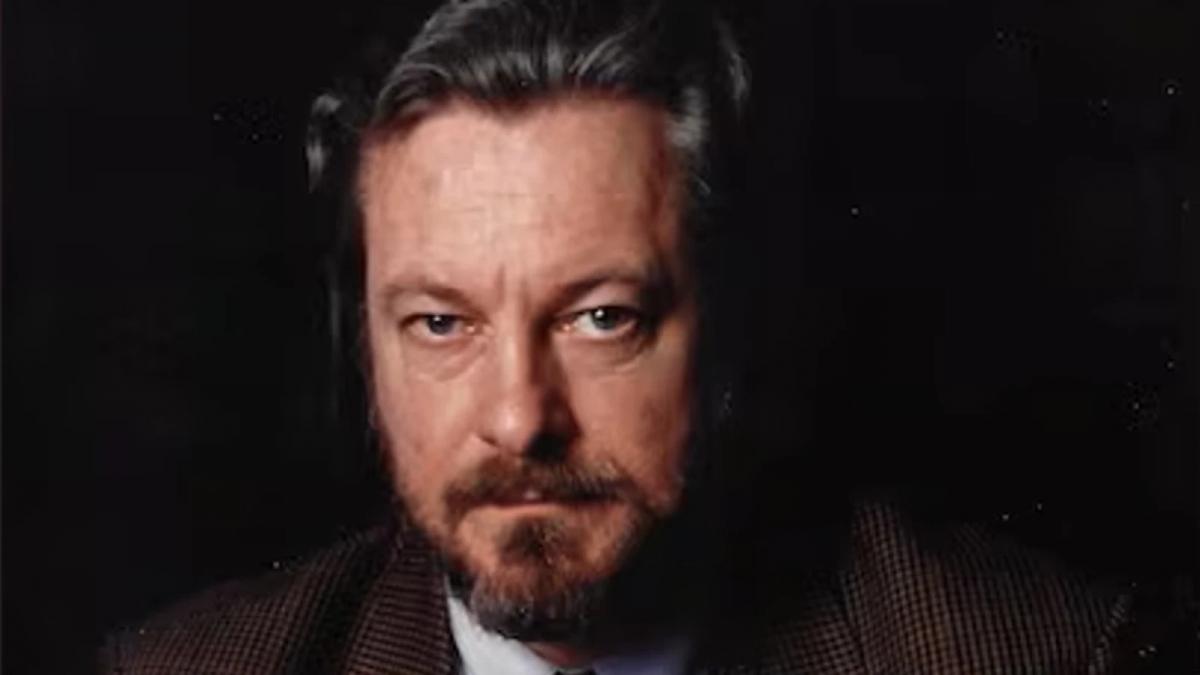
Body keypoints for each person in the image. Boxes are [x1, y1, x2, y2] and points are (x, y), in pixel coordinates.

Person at [102, 1, 1149, 672]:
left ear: (725, 323)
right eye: (441, 323)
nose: (520, 417)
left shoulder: (1035, 654)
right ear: (364, 348)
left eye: (602, 317)